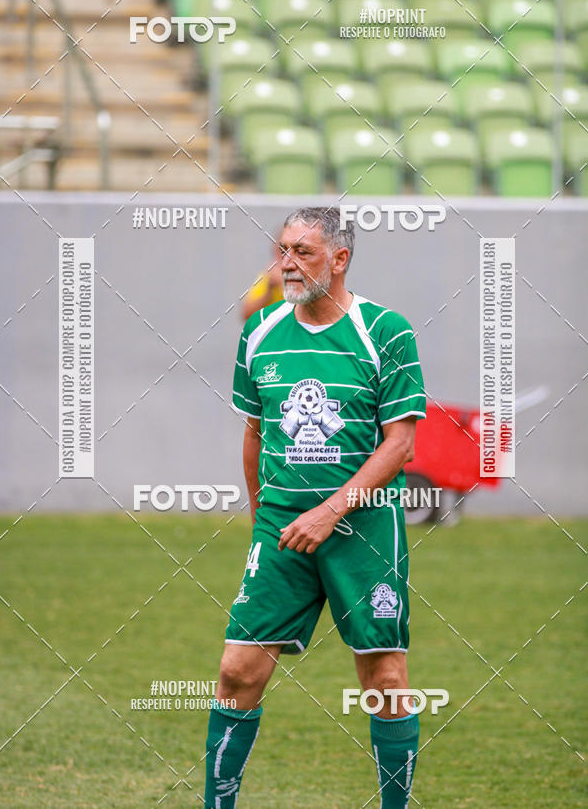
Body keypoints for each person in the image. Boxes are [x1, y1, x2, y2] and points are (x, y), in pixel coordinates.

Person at [205, 207, 426, 808]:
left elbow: (400, 443)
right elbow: (253, 434)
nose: (287, 264)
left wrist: (330, 511)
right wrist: (262, 519)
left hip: (365, 530)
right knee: (236, 673)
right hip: (281, 529)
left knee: (384, 680)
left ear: (340, 258)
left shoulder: (386, 331)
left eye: (303, 251)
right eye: (283, 250)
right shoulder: (260, 332)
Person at [240, 240, 283, 321]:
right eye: (277, 253)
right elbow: (246, 314)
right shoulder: (269, 276)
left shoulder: (305, 277)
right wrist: (268, 294)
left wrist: (283, 283)